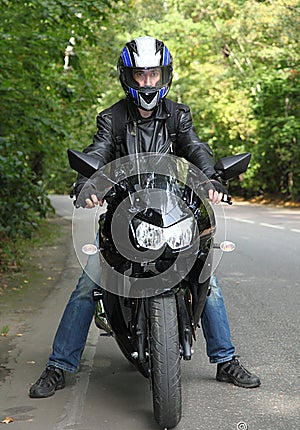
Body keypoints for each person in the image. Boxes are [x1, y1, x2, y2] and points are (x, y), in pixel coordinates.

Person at [29, 36, 260, 398]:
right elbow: (99, 150)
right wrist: (87, 182)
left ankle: (225, 359)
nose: (148, 82)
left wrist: (212, 177)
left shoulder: (178, 115)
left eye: (154, 74)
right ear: (128, 76)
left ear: (164, 74)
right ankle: (59, 366)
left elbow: (196, 147)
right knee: (89, 286)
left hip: (171, 209)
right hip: (124, 214)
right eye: (140, 75)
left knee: (205, 277)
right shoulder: (113, 117)